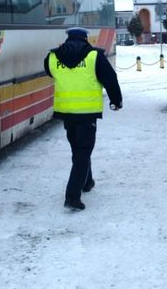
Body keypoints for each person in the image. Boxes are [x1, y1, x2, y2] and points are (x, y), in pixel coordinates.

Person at [44, 27, 122, 211]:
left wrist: (63, 52)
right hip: (87, 113)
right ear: (85, 38)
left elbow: (48, 70)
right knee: (83, 152)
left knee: (78, 149)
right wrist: (116, 101)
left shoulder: (54, 57)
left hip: (67, 112)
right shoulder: (94, 56)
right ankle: (72, 196)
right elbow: (110, 78)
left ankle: (87, 181)